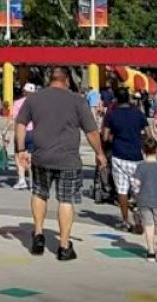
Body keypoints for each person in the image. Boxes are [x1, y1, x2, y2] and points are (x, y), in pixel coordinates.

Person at [15, 65, 103, 261]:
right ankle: (64, 246)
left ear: (50, 80)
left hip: (41, 156)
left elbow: (20, 123)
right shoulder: (77, 101)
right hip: (68, 159)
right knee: (65, 200)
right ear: (68, 80)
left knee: (39, 193)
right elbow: (91, 131)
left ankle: (38, 234)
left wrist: (20, 149)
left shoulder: (34, 99)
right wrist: (100, 153)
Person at [103, 87, 149, 233]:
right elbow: (149, 134)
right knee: (139, 190)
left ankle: (125, 220)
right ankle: (140, 216)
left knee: (121, 190)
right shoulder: (138, 114)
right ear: (129, 98)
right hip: (136, 155)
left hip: (119, 154)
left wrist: (114, 138)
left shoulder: (111, 115)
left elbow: (105, 137)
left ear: (116, 99)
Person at [132, 135, 157, 262]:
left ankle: (151, 252)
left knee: (149, 226)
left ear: (143, 151)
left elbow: (136, 183)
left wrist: (135, 194)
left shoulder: (141, 166)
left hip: (144, 200)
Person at [10, 83, 37, 190]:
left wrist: (8, 132)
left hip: (21, 132)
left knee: (18, 154)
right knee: (31, 156)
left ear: (24, 91)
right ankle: (33, 181)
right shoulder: (38, 104)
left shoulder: (17, 103)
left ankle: (22, 180)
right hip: (34, 132)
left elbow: (15, 120)